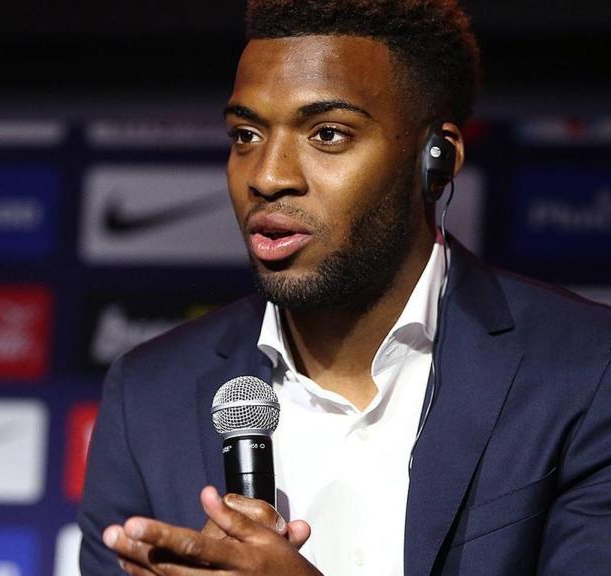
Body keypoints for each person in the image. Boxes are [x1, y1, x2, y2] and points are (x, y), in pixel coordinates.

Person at [77, 1, 611, 575]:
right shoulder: (148, 395)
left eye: (327, 134)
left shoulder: (586, 368)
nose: (268, 176)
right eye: (246, 134)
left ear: (437, 160)